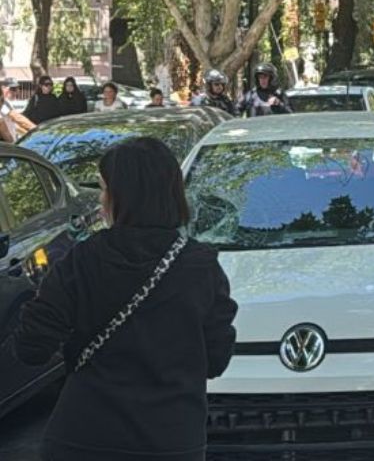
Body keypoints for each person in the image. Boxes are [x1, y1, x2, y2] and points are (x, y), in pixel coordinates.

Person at [14, 137, 238, 461]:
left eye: (105, 190)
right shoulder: (200, 267)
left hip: (85, 434)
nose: (101, 200)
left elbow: (31, 348)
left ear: (123, 197)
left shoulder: (82, 261)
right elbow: (217, 360)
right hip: (171, 436)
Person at [0, 78, 36, 142]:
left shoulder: (6, 103)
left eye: (17, 89)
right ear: (3, 88)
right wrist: (37, 130)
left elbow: (15, 126)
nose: (15, 92)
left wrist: (29, 134)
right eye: (12, 89)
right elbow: (18, 118)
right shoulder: (3, 104)